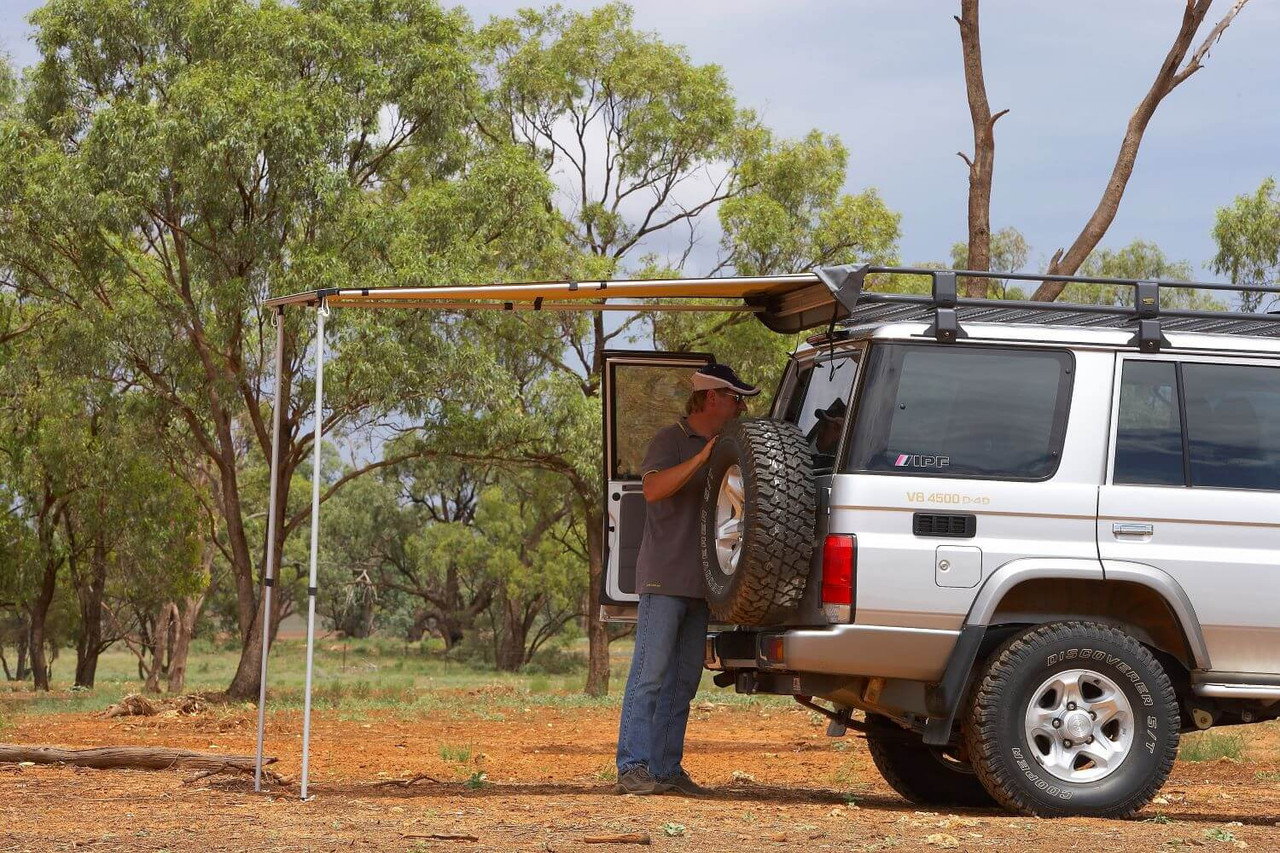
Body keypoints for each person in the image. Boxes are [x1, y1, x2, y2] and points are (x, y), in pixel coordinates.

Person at [615, 363, 761, 796]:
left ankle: (665, 769)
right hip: (664, 580)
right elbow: (654, 489)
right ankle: (632, 767)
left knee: (682, 681)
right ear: (712, 397)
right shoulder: (671, 439)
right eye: (737, 398)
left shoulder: (729, 447)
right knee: (650, 674)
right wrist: (701, 458)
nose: (741, 406)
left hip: (700, 587)